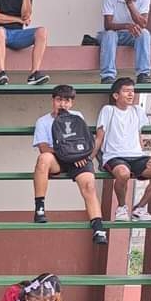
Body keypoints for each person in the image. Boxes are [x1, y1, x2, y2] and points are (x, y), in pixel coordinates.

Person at [32, 86, 110, 245]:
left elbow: (86, 142)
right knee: (43, 159)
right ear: (53, 100)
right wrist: (69, 155)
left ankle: (98, 227)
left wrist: (79, 155)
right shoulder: (43, 121)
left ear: (72, 103)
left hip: (79, 159)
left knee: (89, 185)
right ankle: (39, 208)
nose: (63, 104)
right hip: (58, 159)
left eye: (67, 101)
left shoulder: (77, 117)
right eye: (59, 100)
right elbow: (44, 147)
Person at [94, 75, 151, 219]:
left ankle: (140, 208)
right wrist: (90, 158)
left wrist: (144, 153)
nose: (130, 94)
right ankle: (122, 207)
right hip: (114, 156)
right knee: (123, 173)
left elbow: (139, 135)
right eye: (126, 91)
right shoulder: (108, 110)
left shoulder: (137, 110)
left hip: (137, 156)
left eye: (132, 91)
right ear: (116, 95)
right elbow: (99, 137)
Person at [99, 0, 151, 84]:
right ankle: (107, 76)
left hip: (131, 35)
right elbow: (108, 25)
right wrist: (127, 26)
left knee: (144, 33)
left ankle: (143, 74)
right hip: (112, 35)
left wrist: (130, 3)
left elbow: (143, 23)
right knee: (110, 34)